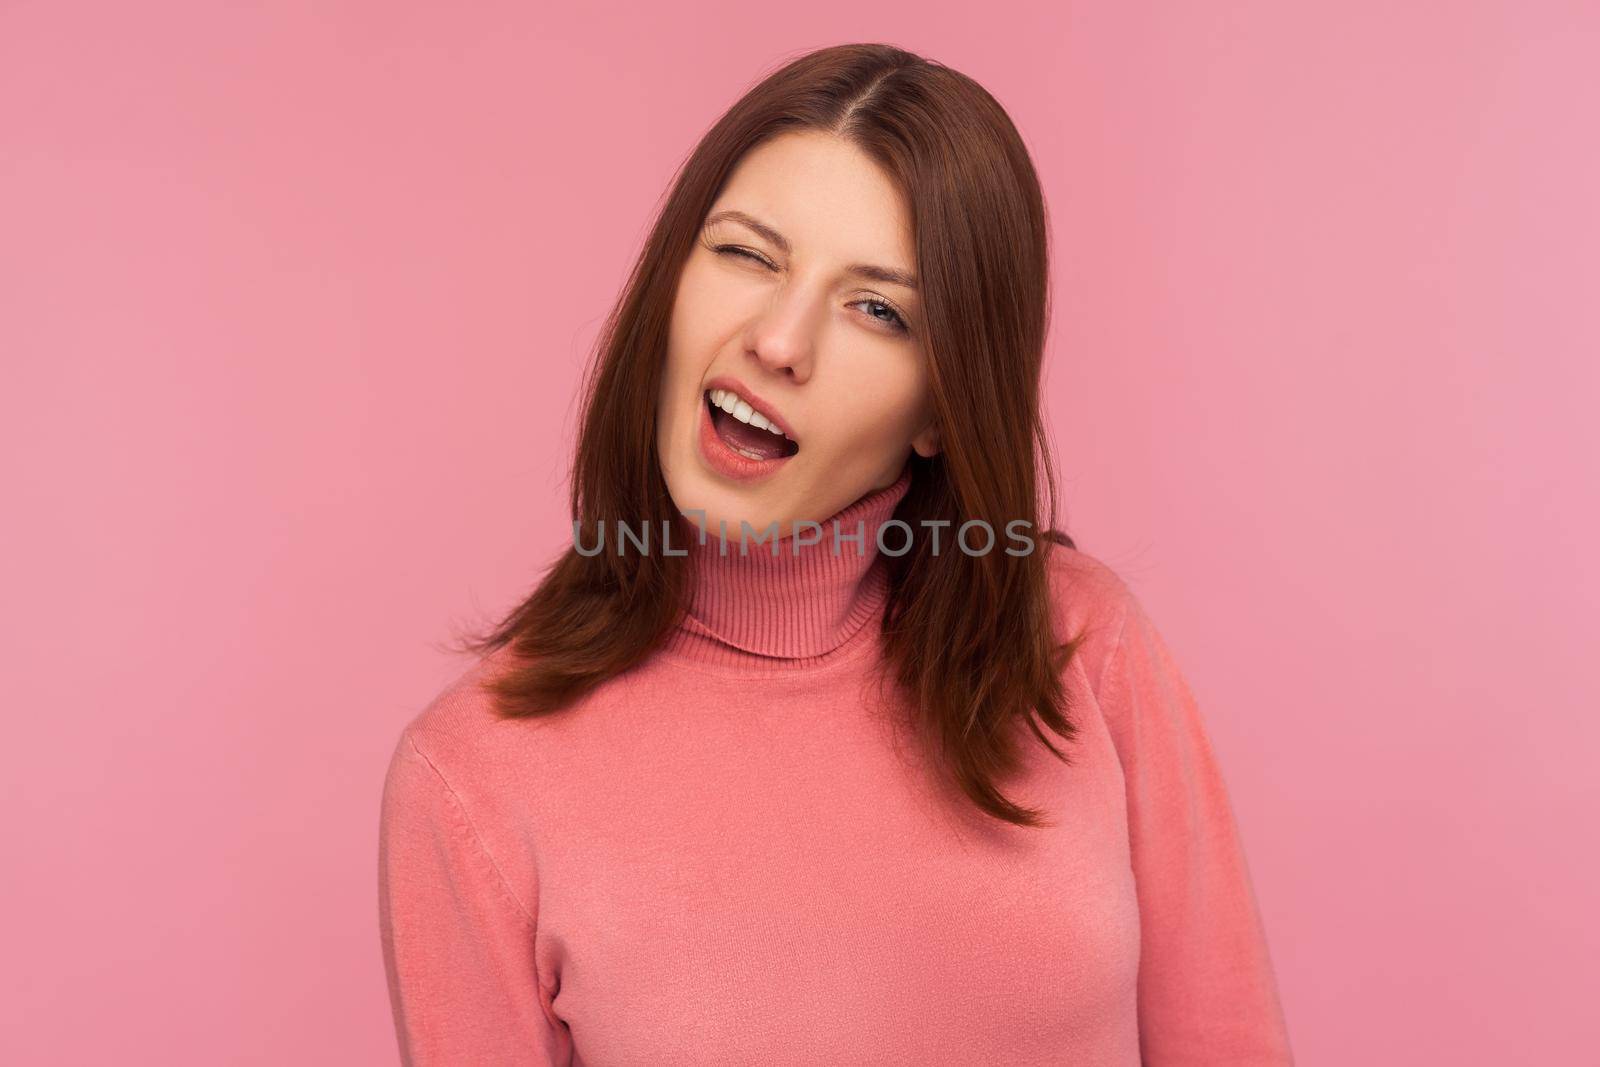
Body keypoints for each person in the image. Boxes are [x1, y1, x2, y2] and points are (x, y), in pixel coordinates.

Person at [377, 42, 1294, 1066]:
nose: (780, 338)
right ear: (668, 286)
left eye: (877, 308)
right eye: (746, 254)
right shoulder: (471, 778)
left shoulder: (1080, 644)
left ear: (941, 410)